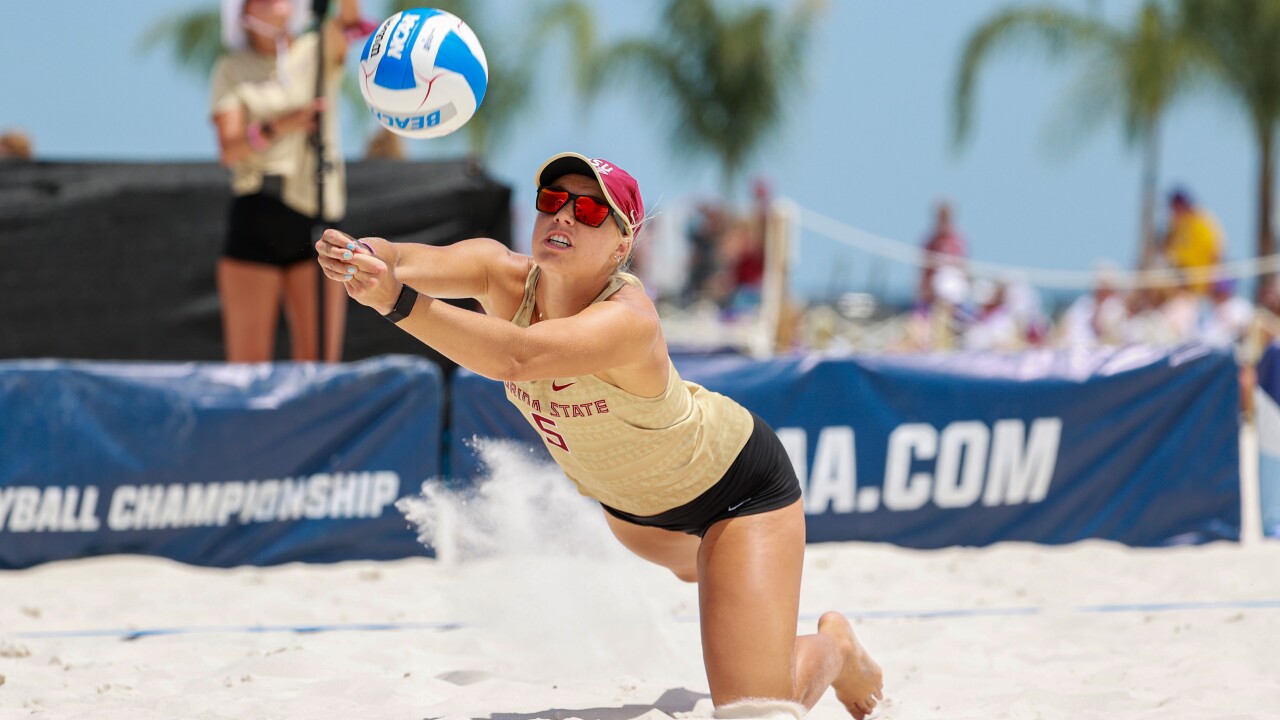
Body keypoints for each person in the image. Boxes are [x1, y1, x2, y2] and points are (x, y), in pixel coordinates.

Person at [315, 152, 885, 719]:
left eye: (589, 210)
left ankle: (837, 647)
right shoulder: (498, 271)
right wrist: (361, 255)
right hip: (638, 521)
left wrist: (394, 300)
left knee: (756, 712)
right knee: (713, 586)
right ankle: (740, 600)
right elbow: (404, 257)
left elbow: (517, 357)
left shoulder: (628, 319)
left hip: (738, 492)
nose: (564, 215)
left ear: (621, 247)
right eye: (552, 201)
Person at [210, 0, 367, 362]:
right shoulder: (232, 68)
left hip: (317, 210)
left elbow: (350, 20)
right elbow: (229, 150)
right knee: (247, 369)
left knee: (319, 365)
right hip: (259, 208)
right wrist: (283, 124)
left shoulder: (316, 49)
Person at [1163, 188, 1224, 295]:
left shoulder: (1202, 221)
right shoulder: (1175, 224)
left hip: (1200, 283)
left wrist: (1212, 278)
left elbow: (1215, 251)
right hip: (1181, 282)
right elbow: (1167, 249)